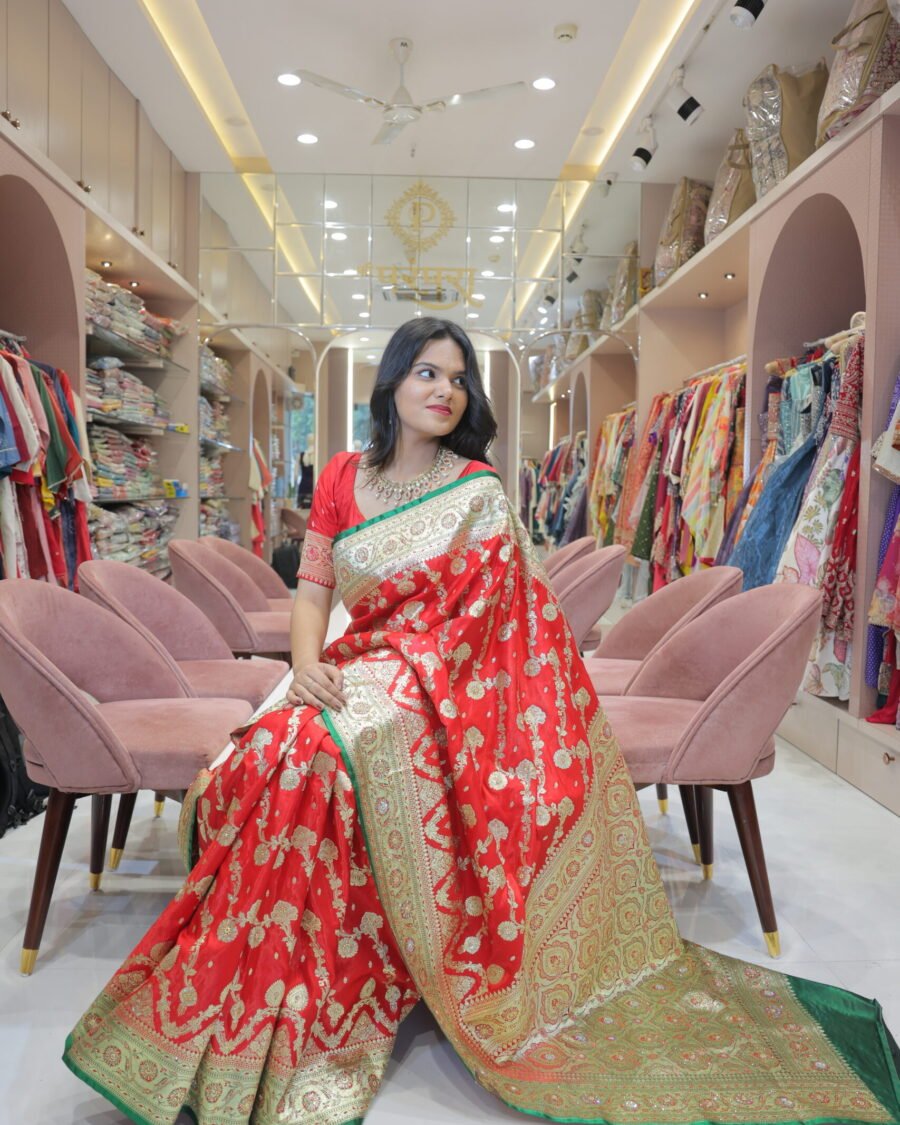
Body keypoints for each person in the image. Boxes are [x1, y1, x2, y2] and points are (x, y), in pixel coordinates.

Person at [65, 318, 900, 1125]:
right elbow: (313, 591)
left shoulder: (477, 493)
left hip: (439, 692)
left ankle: (316, 995)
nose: (446, 390)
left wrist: (391, 678)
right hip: (350, 665)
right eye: (428, 372)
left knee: (314, 755)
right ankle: (260, 994)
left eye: (459, 379)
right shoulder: (342, 477)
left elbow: (487, 632)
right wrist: (306, 665)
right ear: (391, 381)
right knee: (273, 750)